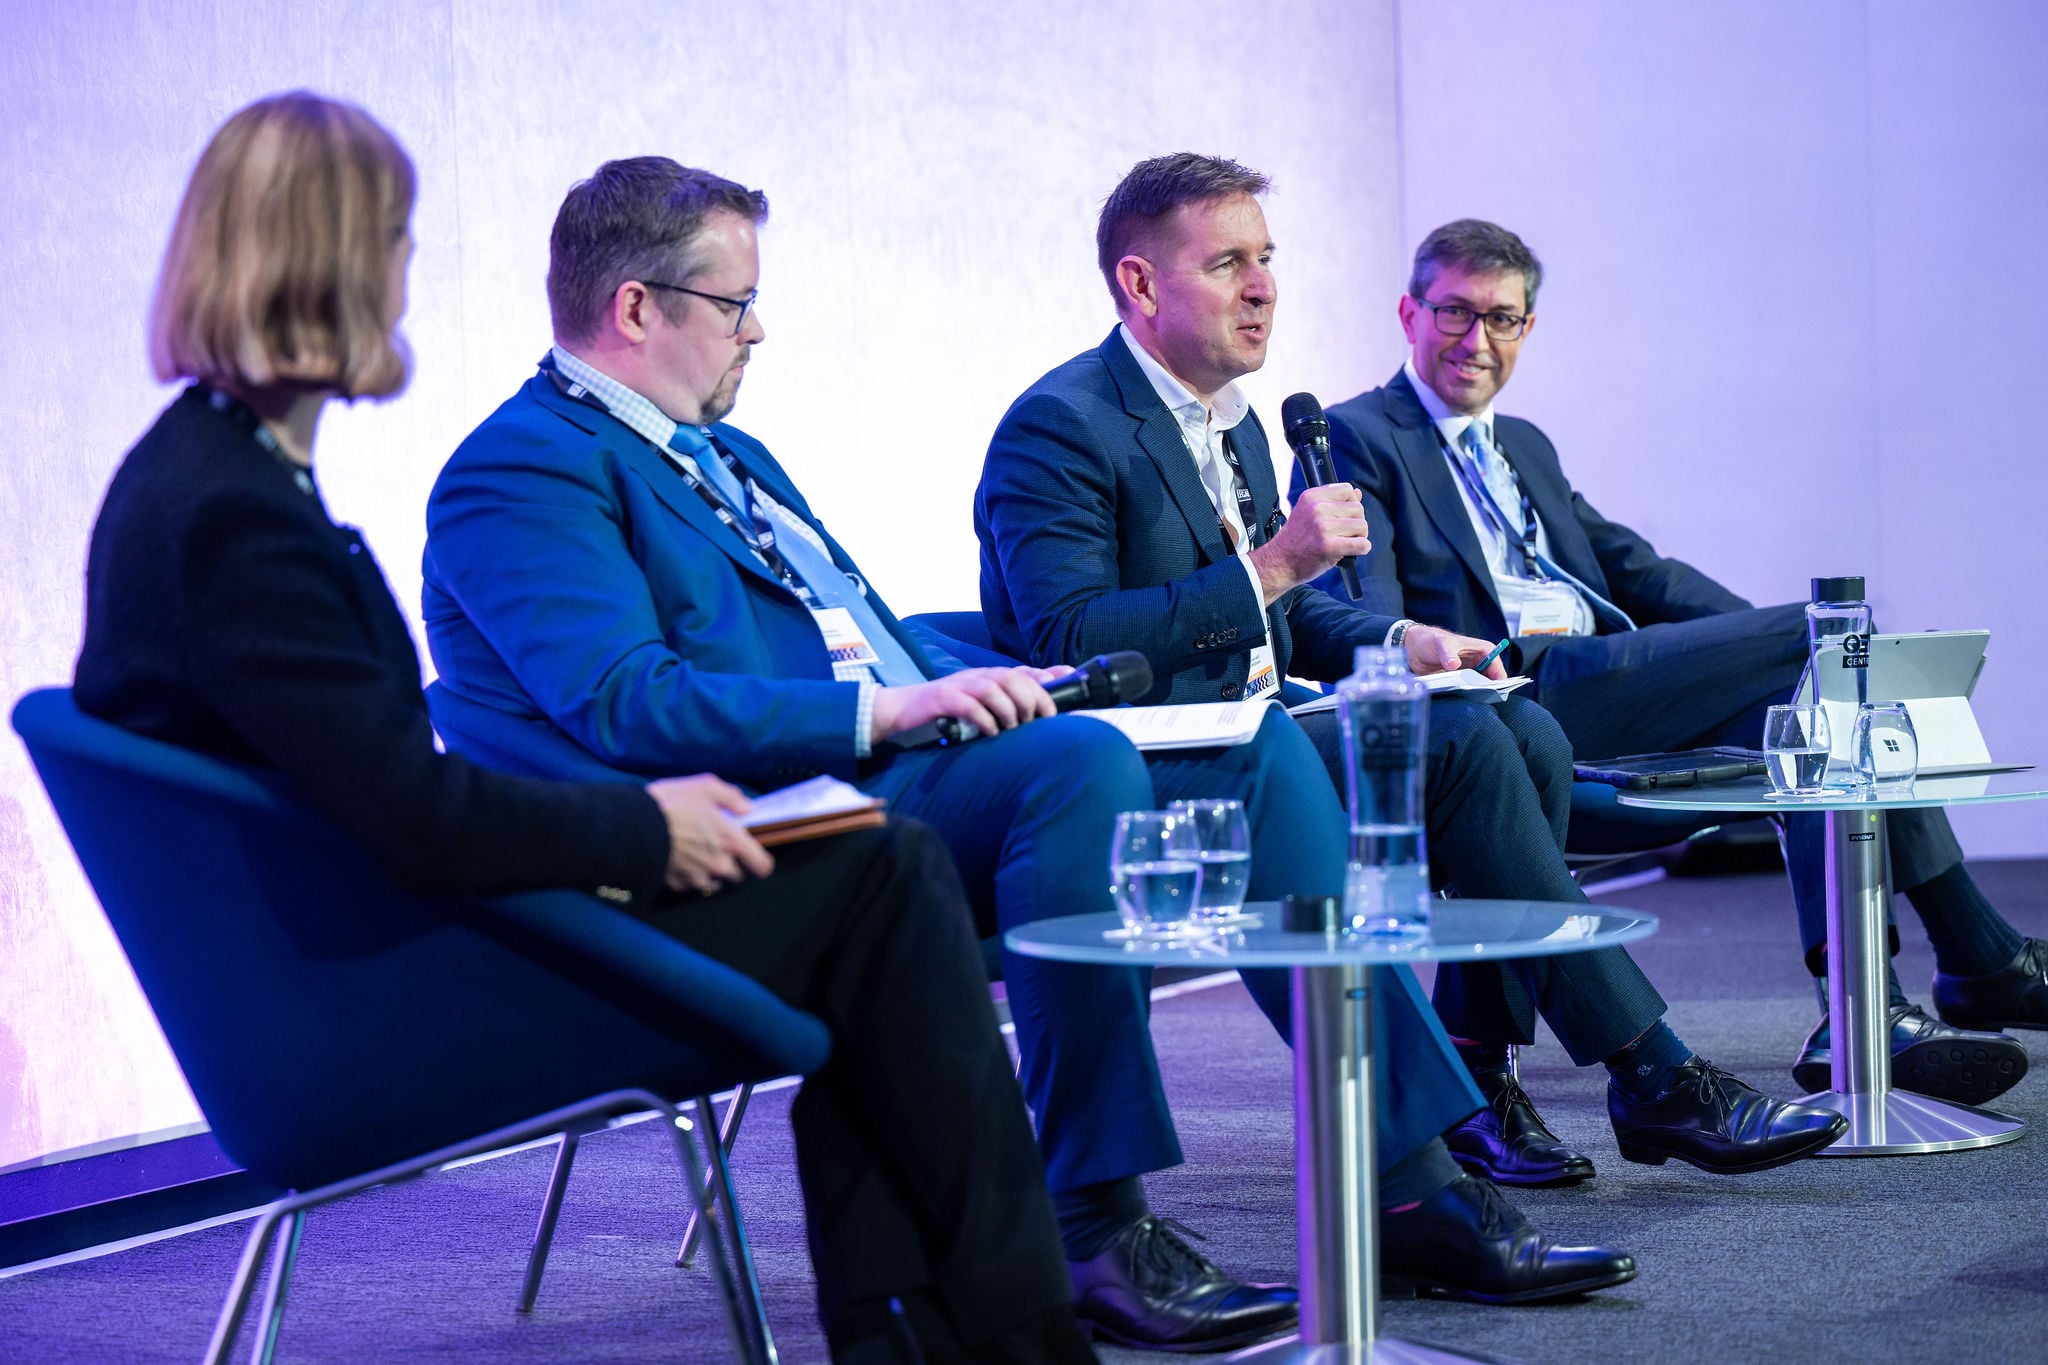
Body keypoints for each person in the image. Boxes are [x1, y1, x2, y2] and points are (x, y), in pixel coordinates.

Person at [417, 155, 1636, 1337]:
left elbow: (864, 630)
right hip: (728, 829)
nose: (756, 330)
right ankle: (1091, 1221)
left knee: (1256, 753)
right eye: (736, 304)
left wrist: (972, 680)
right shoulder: (522, 471)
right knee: (1077, 763)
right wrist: (888, 714)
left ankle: (1408, 1181)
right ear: (636, 308)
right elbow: (626, 704)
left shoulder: (727, 453)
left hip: (865, 776)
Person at [71, 93, 1094, 1365]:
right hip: (378, 997)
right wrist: (647, 827)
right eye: (393, 241)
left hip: (357, 956)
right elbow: (413, 817)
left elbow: (379, 788)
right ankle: (1006, 1337)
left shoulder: (212, 479)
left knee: (869, 873)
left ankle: (940, 1334)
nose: (403, 277)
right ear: (329, 262)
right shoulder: (233, 522)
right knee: (877, 875)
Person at [975, 153, 1848, 1196]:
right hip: (1166, 756)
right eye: (1227, 264)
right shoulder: (1061, 424)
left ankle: (1496, 1074)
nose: (1263, 288)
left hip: (1266, 722)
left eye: (1266, 259)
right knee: (1465, 740)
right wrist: (1276, 562)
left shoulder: (1234, 420)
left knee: (1517, 727)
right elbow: (1069, 634)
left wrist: (1399, 643)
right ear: (1141, 282)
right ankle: (1647, 1073)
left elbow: (1286, 617)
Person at [1304, 217, 2034, 1100]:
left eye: (1502, 318)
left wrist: (1777, 652)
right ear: (1409, 313)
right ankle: (1979, 956)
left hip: (1610, 684)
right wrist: (1796, 639)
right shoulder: (1359, 434)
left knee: (1813, 703)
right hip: (1511, 694)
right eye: (1455, 312)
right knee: (1822, 642)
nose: (1477, 340)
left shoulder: (1523, 444)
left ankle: (1862, 1010)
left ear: (1528, 328)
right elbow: (1367, 617)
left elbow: (1639, 570)